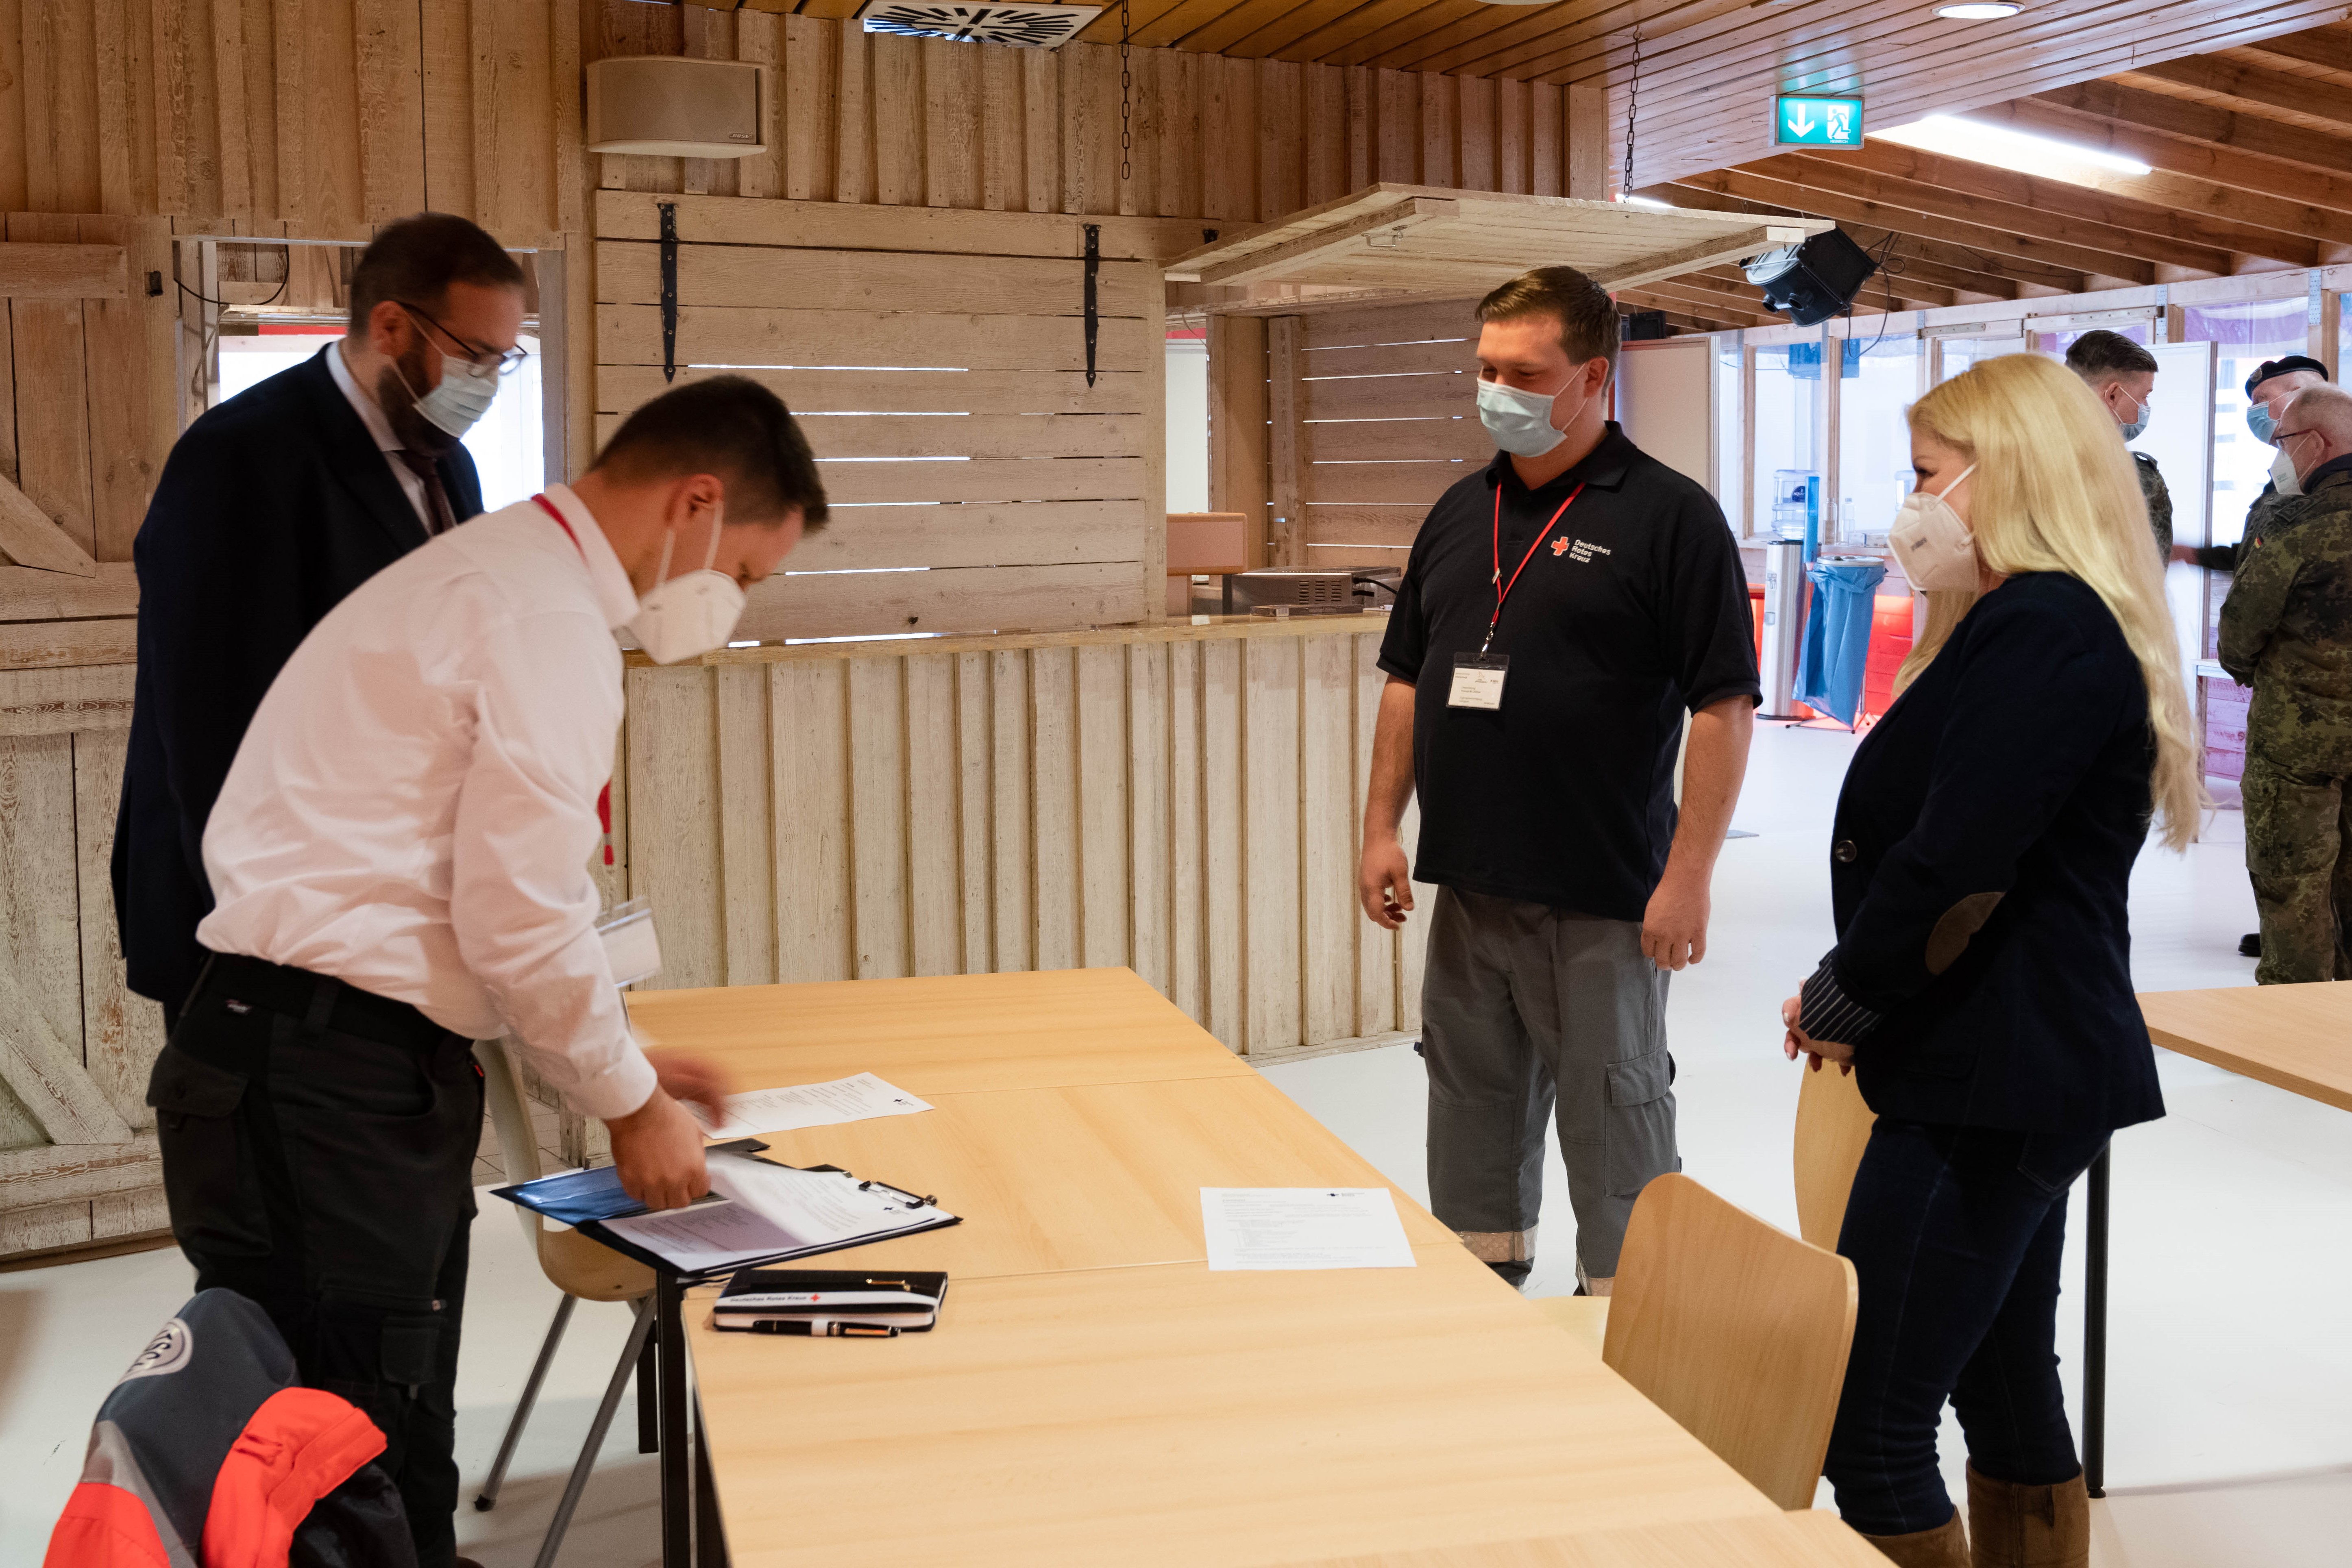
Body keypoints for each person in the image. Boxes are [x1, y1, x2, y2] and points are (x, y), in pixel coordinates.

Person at [144, 376, 828, 1568]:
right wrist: (627, 1099)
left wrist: (611, 1060)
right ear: (699, 503)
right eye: (751, 574)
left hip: (308, 1059)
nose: (735, 602)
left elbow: (453, 900)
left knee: (378, 1435)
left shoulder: (491, 572)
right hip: (321, 1081)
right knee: (342, 1446)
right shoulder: (539, 619)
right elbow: (516, 912)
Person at [1781, 353, 2197, 1568]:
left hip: (1990, 1069)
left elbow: (1956, 864)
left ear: (1999, 475)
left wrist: (1845, 991)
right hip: (2012, 1059)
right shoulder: (2035, 617)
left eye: (1923, 476)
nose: (1910, 506)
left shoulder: (2042, 628)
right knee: (2004, 1383)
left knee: (1869, 1434)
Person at [1357, 267, 1759, 1296]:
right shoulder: (1459, 511)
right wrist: (1378, 830)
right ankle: (1479, 1309)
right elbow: (1407, 681)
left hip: (1602, 899)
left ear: (1591, 377)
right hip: (1470, 889)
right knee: (1469, 1118)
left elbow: (1721, 707)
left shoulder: (1672, 519)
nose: (1497, 391)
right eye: (1487, 368)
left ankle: (1628, 1336)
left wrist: (1690, 877)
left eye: (1523, 373)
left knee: (1616, 1126)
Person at [117, 212, 528, 1030]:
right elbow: (213, 731)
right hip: (268, 939)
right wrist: (293, 942)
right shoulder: (242, 457)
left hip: (398, 913)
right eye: (477, 356)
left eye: (503, 360)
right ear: (390, 325)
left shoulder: (452, 462)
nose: (486, 381)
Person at [2219, 384, 2352, 983]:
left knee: (2293, 886)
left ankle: (2296, 1031)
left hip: (2299, 742)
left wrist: (2254, 669)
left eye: (2284, 442)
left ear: (2317, 444)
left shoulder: (2295, 524)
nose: (2280, 456)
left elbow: (2241, 632)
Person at [2173, 354, 2330, 574]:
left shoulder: (2335, 469)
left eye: (2260, 400)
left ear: (2300, 396)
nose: (2253, 412)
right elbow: (2260, 551)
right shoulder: (2287, 469)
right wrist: (2193, 555)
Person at [2063, 329, 2169, 557]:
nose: (2145, 405)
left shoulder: (2022, 456)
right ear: (2112, 395)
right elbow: (2147, 574)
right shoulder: (2136, 478)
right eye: (2144, 395)